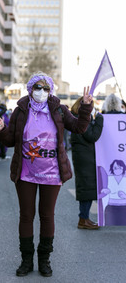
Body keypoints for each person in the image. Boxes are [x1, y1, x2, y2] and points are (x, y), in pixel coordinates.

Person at [0, 72, 93, 277]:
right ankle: (26, 261)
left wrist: (85, 107)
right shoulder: (20, 111)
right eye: (37, 87)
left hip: (52, 173)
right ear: (30, 89)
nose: (41, 92)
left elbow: (80, 128)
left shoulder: (59, 109)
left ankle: (44, 260)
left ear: (51, 90)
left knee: (47, 216)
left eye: (46, 88)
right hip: (26, 173)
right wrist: (2, 129)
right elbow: (10, 140)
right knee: (26, 216)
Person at [70, 97, 103, 230]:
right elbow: (92, 136)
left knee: (86, 187)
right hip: (85, 158)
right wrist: (99, 121)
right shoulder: (81, 119)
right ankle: (83, 219)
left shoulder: (76, 117)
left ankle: (84, 218)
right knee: (87, 187)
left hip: (83, 157)